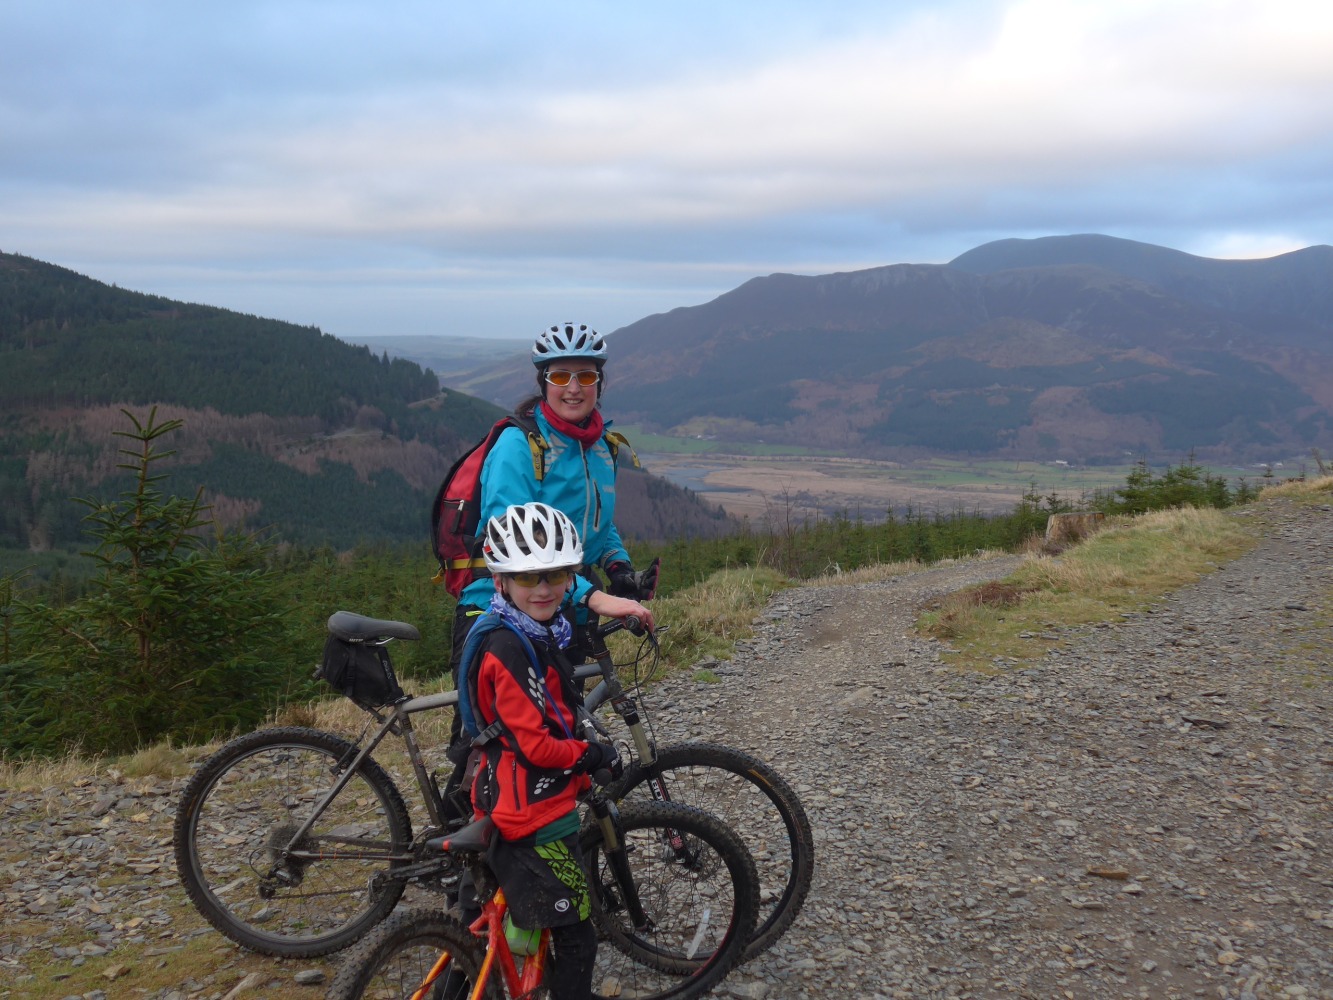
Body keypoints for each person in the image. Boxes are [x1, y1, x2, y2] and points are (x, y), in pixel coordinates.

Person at [444, 322, 656, 785]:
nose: (574, 388)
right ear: (543, 382)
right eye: (561, 376)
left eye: (585, 375)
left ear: (601, 382)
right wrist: (592, 596)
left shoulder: (601, 447)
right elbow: (511, 545)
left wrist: (617, 565)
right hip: (499, 604)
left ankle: (551, 835)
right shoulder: (519, 446)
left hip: (560, 606)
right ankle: (462, 841)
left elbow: (596, 524)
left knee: (556, 732)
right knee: (489, 746)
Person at [458, 501, 629, 999]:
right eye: (527, 575)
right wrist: (592, 756)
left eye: (555, 573)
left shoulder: (531, 629)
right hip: (530, 814)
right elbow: (535, 745)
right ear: (502, 579)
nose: (542, 587)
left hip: (511, 796)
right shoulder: (508, 647)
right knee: (578, 935)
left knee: (500, 923)